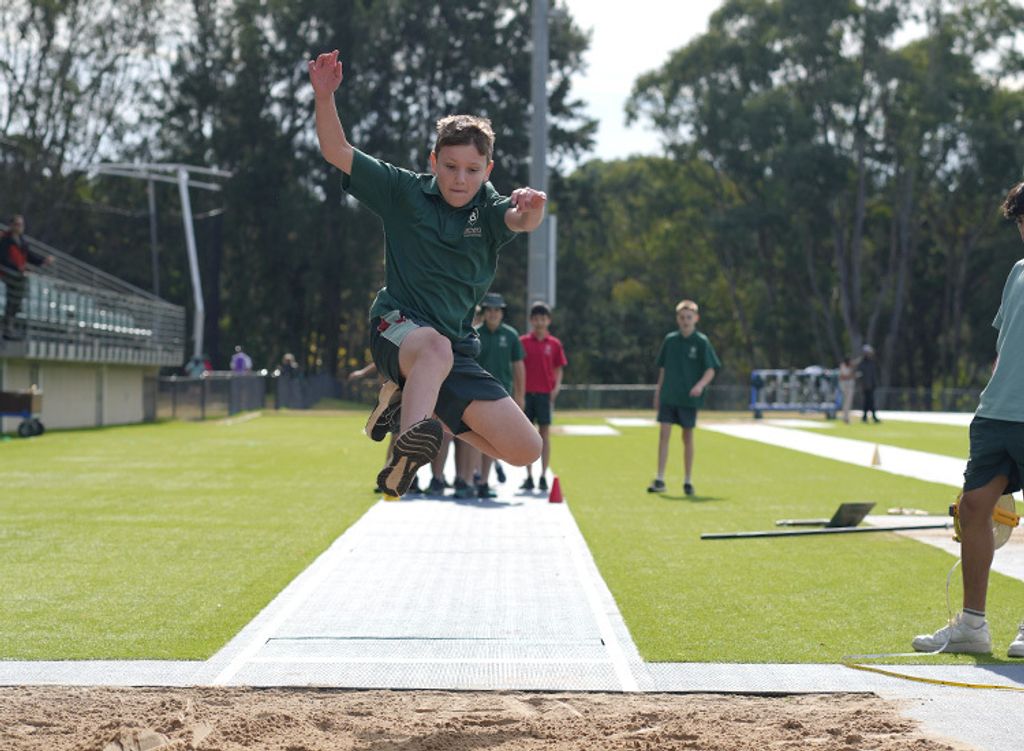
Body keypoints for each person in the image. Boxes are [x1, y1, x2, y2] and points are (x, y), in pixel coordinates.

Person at [309, 50, 545, 497]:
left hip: (454, 350)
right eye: (450, 167)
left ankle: (413, 406)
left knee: (525, 449)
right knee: (434, 348)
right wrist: (324, 96)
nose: (460, 180)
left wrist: (533, 208)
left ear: (488, 170)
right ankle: (406, 452)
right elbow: (336, 151)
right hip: (396, 328)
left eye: (472, 171)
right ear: (433, 161)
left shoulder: (489, 210)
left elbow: (522, 221)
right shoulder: (403, 191)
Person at [912, 183, 1024, 658]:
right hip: (996, 413)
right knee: (974, 508)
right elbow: (1004, 346)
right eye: (1021, 221)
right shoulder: (1017, 272)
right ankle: (972, 626)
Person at [647, 300, 721, 496]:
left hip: (688, 399)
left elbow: (711, 369)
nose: (685, 320)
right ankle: (660, 478)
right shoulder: (670, 340)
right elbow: (663, 369)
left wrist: (700, 385)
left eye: (689, 317)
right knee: (664, 434)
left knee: (687, 437)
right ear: (677, 319)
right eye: (682, 317)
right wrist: (658, 392)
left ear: (696, 318)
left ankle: (688, 480)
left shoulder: (701, 342)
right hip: (669, 395)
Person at [474, 292, 525, 497]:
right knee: (475, 438)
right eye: (489, 310)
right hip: (476, 394)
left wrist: (520, 395)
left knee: (492, 439)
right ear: (484, 312)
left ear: (502, 313)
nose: (493, 313)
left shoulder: (511, 335)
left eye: (497, 310)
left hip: (502, 396)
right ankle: (472, 477)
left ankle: (483, 481)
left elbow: (518, 366)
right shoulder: (475, 334)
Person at [519, 301, 567, 492]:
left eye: (543, 319)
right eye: (536, 319)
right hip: (526, 395)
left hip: (544, 395)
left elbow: (559, 368)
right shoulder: (523, 342)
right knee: (527, 436)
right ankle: (529, 476)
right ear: (531, 320)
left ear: (548, 321)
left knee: (544, 434)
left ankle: (543, 475)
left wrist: (556, 389)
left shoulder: (554, 344)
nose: (539, 322)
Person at [1, 215, 52, 340]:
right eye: (17, 224)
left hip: (18, 275)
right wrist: (17, 268)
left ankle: (10, 322)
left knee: (16, 297)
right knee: (14, 296)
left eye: (21, 225)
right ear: (11, 225)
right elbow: (3, 258)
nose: (19, 227)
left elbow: (29, 256)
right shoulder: (5, 239)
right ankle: (8, 325)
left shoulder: (22, 241)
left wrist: (43, 260)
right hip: (8, 273)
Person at [857, 345, 880, 423]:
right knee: (868, 402)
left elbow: (873, 375)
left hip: (871, 386)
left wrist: (874, 384)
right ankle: (870, 417)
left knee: (869, 402)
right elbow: (860, 375)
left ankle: (866, 417)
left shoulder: (871, 363)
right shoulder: (861, 363)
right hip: (865, 386)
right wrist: (862, 385)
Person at [838, 356, 856, 424]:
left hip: (850, 386)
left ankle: (846, 417)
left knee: (848, 403)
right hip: (845, 387)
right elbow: (842, 377)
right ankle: (845, 418)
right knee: (846, 403)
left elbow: (852, 376)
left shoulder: (850, 367)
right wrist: (849, 376)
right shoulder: (843, 366)